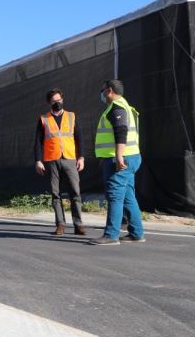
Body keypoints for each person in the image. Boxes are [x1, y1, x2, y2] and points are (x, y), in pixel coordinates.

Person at [90, 79, 145, 245]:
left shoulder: (116, 108)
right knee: (128, 196)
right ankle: (136, 233)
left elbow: (121, 132)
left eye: (103, 90)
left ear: (109, 90)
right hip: (132, 157)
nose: (102, 94)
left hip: (120, 158)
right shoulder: (127, 106)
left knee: (115, 196)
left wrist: (119, 156)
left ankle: (111, 235)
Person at [34, 88, 86, 236]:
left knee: (75, 192)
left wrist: (81, 157)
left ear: (62, 99)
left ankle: (78, 224)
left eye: (59, 100)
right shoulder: (44, 119)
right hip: (52, 159)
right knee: (55, 193)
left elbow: (79, 138)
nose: (58, 103)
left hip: (70, 158)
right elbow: (38, 142)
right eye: (54, 101)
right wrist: (38, 160)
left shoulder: (71, 116)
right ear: (49, 103)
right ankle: (60, 224)